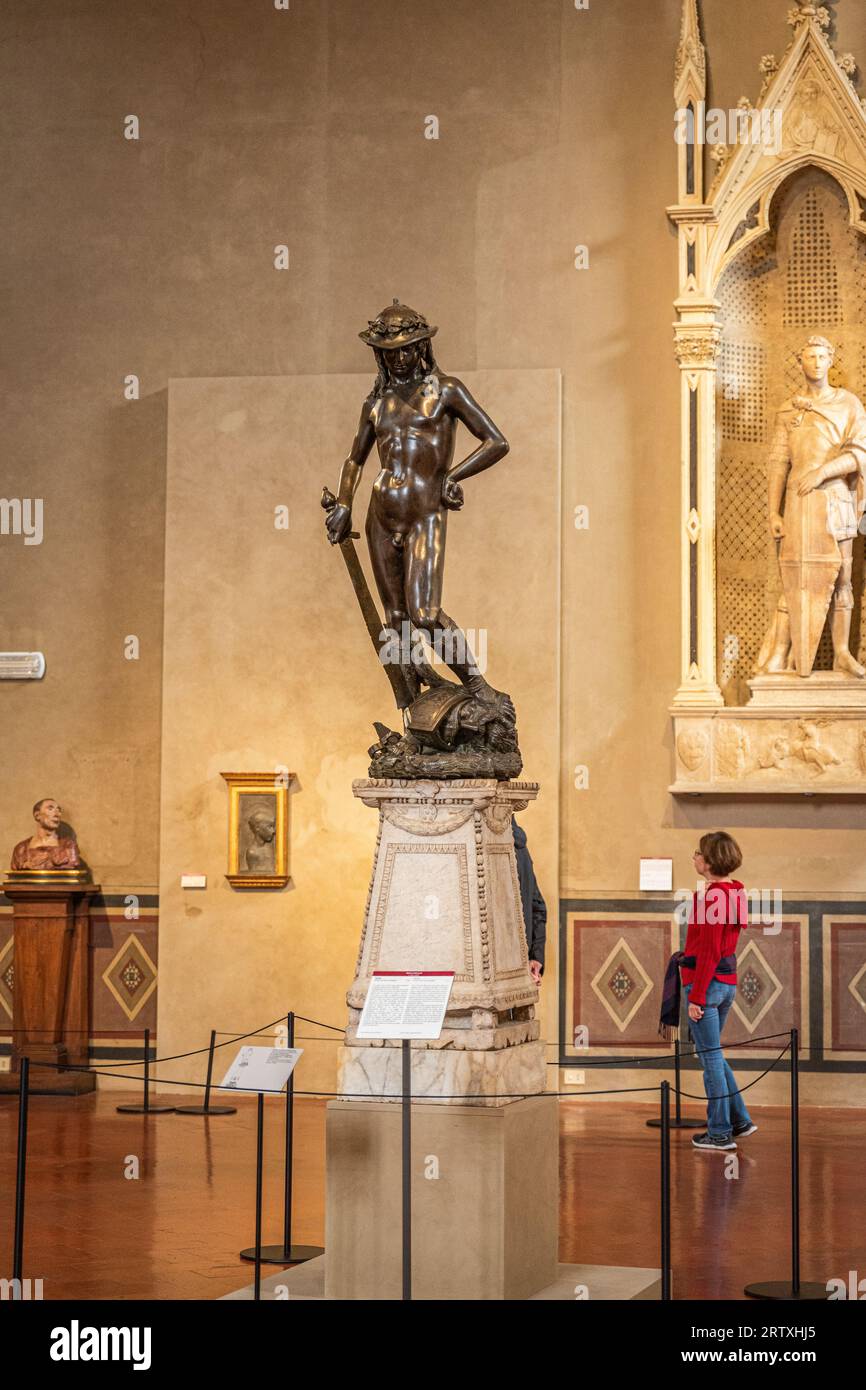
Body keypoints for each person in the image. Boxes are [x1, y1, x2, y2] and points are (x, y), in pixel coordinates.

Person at [683, 832, 756, 1153]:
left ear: (710, 861)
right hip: (727, 983)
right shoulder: (736, 892)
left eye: (698, 853)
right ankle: (739, 1120)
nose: (695, 858)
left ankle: (719, 1133)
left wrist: (696, 997)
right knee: (713, 1053)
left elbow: (710, 951)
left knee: (709, 1057)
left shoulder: (711, 897)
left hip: (707, 984)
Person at [512, 817, 546, 985]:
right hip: (520, 963)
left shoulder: (487, 848)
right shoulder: (521, 849)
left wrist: (535, 956)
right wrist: (536, 956)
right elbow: (538, 907)